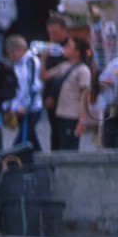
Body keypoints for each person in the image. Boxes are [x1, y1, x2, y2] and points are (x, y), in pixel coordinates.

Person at [49, 37, 92, 152]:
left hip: (72, 115)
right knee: (58, 147)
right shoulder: (63, 66)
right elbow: (45, 76)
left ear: (77, 52)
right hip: (60, 113)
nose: (65, 48)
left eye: (69, 46)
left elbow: (86, 95)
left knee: (69, 149)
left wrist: (82, 120)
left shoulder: (83, 70)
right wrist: (44, 58)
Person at [4, 35, 43, 148]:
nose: (11, 56)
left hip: (31, 107)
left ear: (21, 49)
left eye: (13, 52)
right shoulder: (14, 65)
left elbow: (32, 86)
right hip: (20, 108)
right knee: (31, 139)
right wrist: (14, 106)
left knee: (22, 139)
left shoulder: (31, 61)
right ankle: (42, 162)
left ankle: (9, 159)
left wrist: (25, 106)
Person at [37, 14, 72, 144]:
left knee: (64, 133)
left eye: (55, 33)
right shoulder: (51, 47)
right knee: (54, 132)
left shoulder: (70, 48)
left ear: (64, 30)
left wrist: (53, 95)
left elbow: (64, 76)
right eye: (50, 34)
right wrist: (43, 58)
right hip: (50, 90)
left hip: (64, 95)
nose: (52, 37)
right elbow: (43, 74)